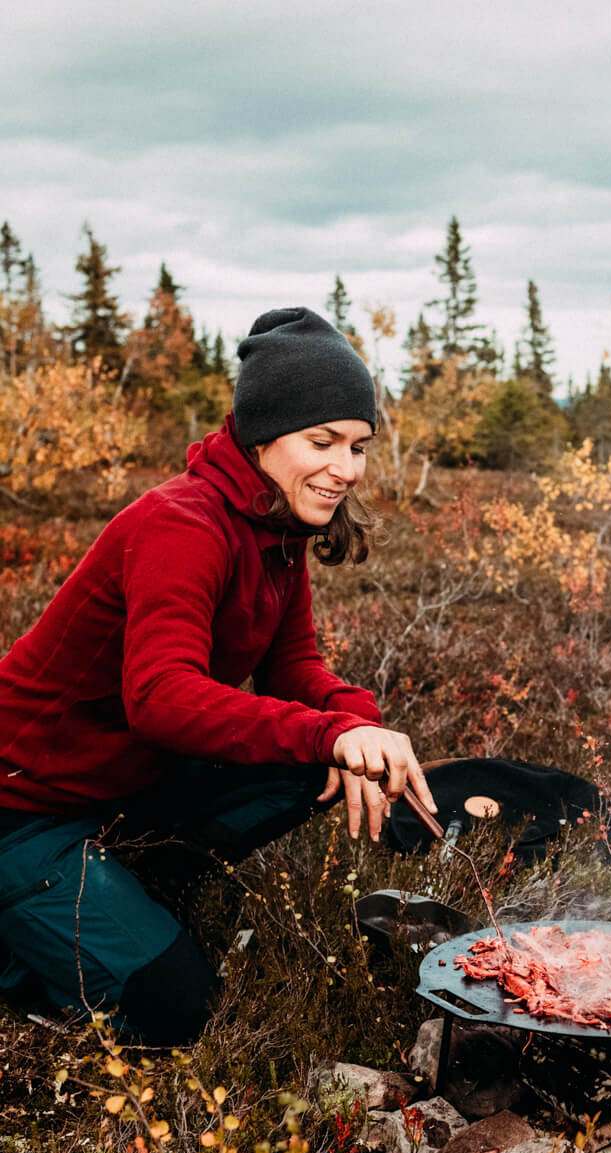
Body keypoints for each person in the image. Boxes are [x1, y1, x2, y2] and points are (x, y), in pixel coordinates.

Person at [0, 307, 437, 1045]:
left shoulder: (276, 528)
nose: (346, 467)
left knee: (311, 765)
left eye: (359, 445)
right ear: (263, 435)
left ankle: (135, 887)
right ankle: (25, 943)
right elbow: (160, 699)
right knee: (178, 1011)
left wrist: (358, 724)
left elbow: (295, 667)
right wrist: (332, 735)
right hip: (23, 810)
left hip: (118, 789)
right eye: (322, 441)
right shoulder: (183, 523)